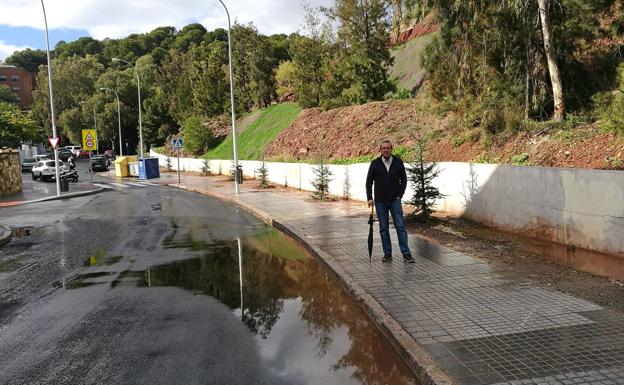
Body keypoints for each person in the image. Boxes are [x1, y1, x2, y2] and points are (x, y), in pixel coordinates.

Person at [365, 140, 414, 263]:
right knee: (383, 228)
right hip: (380, 201)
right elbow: (369, 182)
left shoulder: (398, 162)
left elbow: (404, 180)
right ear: (380, 150)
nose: (386, 150)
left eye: (388, 148)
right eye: (383, 148)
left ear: (392, 149)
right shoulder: (375, 164)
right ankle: (387, 254)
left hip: (394, 200)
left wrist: (400, 195)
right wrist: (369, 198)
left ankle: (406, 254)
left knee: (400, 227)